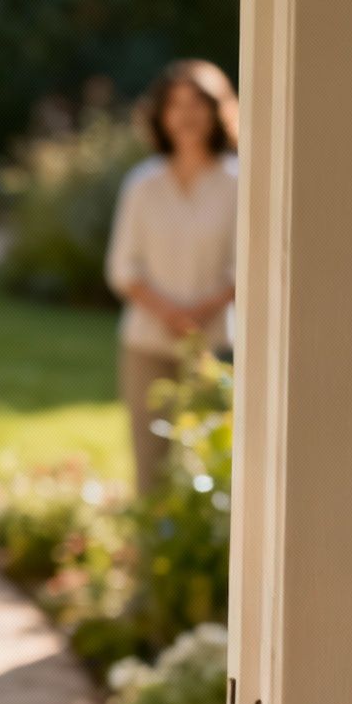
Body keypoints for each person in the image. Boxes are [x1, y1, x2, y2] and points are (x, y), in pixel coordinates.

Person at [105, 59, 240, 496]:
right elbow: (123, 268)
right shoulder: (143, 185)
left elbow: (246, 269)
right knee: (152, 469)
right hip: (148, 345)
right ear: (161, 114)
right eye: (176, 104)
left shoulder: (240, 182)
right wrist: (170, 313)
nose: (187, 115)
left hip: (216, 346)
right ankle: (150, 562)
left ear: (218, 110)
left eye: (198, 103)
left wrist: (198, 314)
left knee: (219, 465)